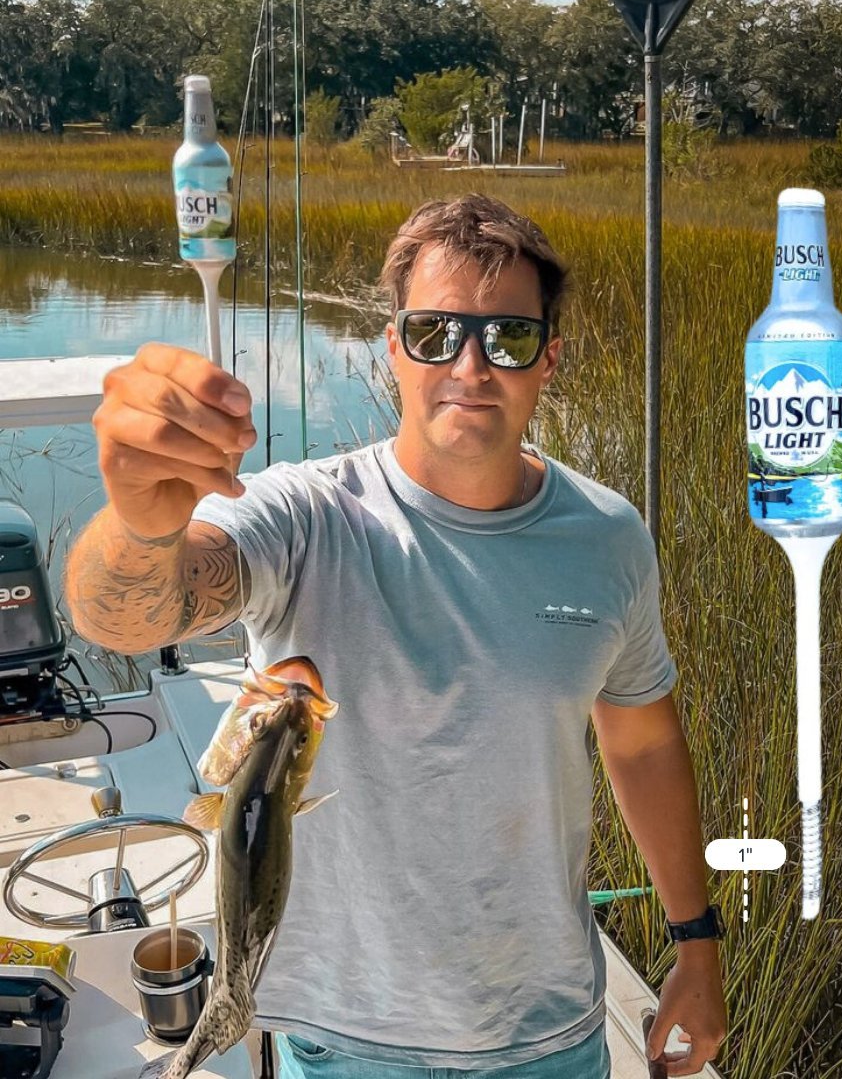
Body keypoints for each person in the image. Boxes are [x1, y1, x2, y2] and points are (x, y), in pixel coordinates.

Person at [66, 194, 727, 1078]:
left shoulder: (608, 539)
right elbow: (127, 614)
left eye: (508, 337)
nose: (470, 365)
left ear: (549, 358)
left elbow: (642, 743)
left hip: (549, 1030)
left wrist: (696, 944)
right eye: (433, 333)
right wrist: (142, 523)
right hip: (343, 1038)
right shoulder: (306, 515)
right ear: (391, 348)